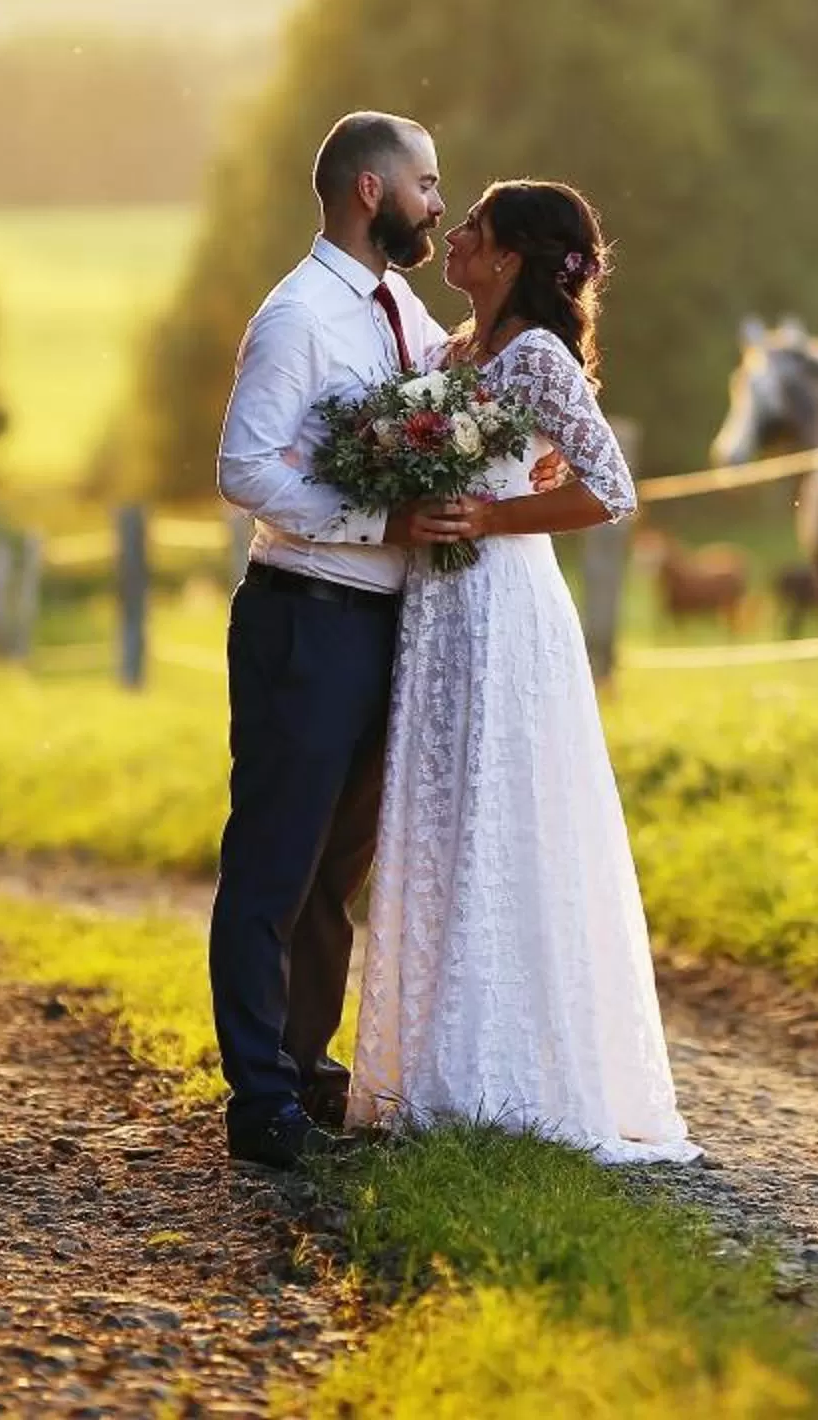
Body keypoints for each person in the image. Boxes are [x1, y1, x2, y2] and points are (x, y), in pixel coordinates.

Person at [344, 179, 699, 1165]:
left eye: (472, 229)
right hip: (437, 605)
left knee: (502, 813)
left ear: (508, 258)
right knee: (441, 816)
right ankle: (438, 1068)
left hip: (505, 605)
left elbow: (611, 488)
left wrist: (496, 513)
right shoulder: (455, 351)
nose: (451, 236)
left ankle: (515, 1077)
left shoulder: (538, 357)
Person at [209, 110, 472, 1170]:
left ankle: (304, 1062)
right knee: (274, 864)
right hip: (305, 620)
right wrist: (381, 522)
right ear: (373, 191)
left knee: (336, 871)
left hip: (386, 629)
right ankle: (257, 1099)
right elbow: (245, 468)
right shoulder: (298, 315)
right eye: (428, 182)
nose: (439, 203)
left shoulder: (399, 304)